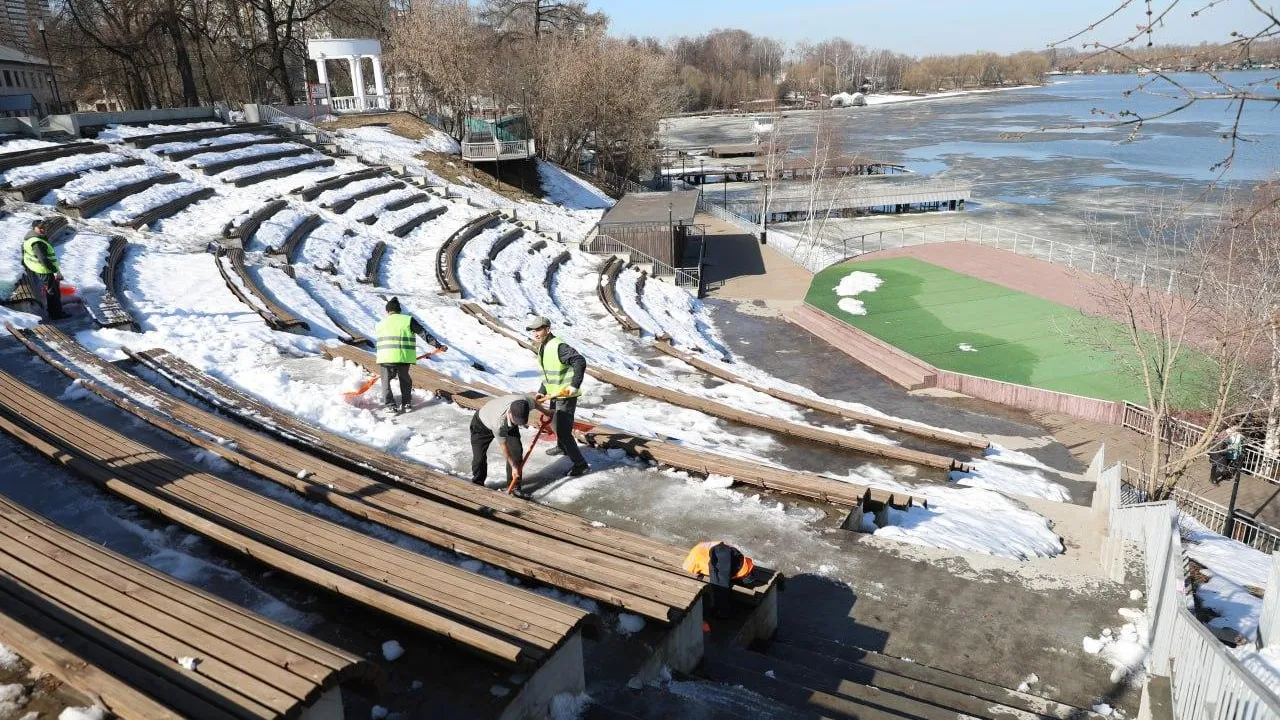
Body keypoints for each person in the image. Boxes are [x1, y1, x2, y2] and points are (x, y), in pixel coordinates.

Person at [527, 316, 590, 477]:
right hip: (554, 393)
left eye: (539, 329)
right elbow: (549, 374)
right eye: (534, 330)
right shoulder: (544, 346)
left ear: (548, 329)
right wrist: (542, 390)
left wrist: (574, 385)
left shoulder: (558, 346)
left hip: (565, 395)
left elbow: (579, 361)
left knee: (562, 429)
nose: (536, 333)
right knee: (556, 425)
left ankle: (581, 464)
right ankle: (561, 447)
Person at [374, 297, 446, 412]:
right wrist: (438, 345)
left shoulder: (380, 324)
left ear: (388, 311)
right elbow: (424, 334)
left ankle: (390, 406)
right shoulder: (408, 320)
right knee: (405, 381)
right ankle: (406, 403)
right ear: (399, 310)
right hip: (404, 357)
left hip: (386, 358)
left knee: (385, 382)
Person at [470, 393, 535, 493]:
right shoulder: (498, 423)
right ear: (510, 413)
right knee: (479, 458)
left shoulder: (523, 402)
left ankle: (514, 486)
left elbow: (535, 403)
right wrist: (513, 466)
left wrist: (547, 412)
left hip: (508, 425)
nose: (518, 423)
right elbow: (504, 447)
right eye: (516, 421)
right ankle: (478, 484)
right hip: (481, 425)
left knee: (516, 451)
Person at [682, 541, 755, 617]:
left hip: (717, 556)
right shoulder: (719, 559)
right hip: (708, 558)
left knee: (721, 585)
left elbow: (719, 585)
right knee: (720, 586)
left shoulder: (723, 556)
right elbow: (719, 586)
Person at [22, 219, 69, 320]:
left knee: (51, 290)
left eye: (44, 228)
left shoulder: (30, 238)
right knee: (53, 292)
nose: (43, 230)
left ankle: (54, 311)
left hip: (40, 268)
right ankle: (56, 314)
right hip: (45, 270)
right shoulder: (36, 242)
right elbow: (43, 259)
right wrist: (54, 271)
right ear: (34, 228)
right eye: (40, 228)